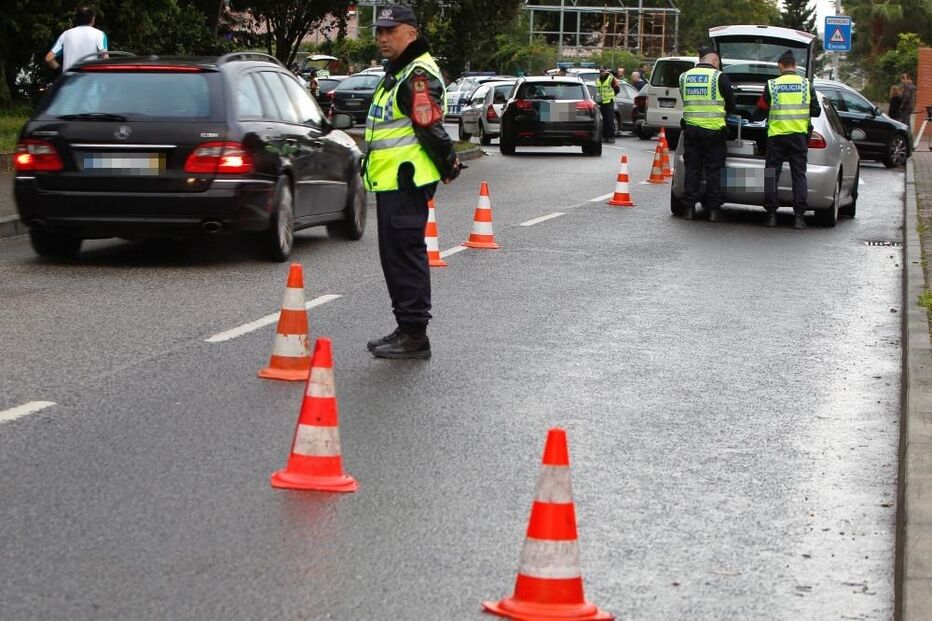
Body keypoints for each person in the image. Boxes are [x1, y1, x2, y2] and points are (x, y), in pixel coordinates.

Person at [363, 5, 462, 359]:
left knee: (405, 255)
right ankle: (406, 327)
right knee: (395, 256)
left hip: (407, 180)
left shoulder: (417, 76)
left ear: (412, 34)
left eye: (391, 30)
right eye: (379, 31)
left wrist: (449, 162)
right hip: (393, 181)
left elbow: (428, 126)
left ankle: (415, 335)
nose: (383, 37)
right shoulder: (400, 72)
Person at [755, 49, 821, 229]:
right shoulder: (806, 84)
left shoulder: (772, 85)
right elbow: (816, 111)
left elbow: (760, 110)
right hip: (798, 136)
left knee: (771, 174)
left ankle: (771, 216)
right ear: (795, 66)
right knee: (798, 175)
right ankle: (799, 217)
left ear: (780, 66)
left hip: (776, 136)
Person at [677, 46, 736, 222]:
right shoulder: (720, 77)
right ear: (715, 61)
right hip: (714, 131)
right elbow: (731, 105)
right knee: (714, 171)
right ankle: (713, 211)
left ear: (700, 58)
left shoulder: (684, 77)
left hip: (691, 130)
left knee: (692, 170)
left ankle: (689, 209)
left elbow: (686, 100)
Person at [45, 5, 107, 73]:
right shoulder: (99, 34)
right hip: (91, 80)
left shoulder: (65, 35)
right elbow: (105, 59)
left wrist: (62, 72)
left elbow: (49, 58)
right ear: (93, 19)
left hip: (69, 81)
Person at [595, 66, 620, 143]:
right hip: (601, 102)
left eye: (602, 71)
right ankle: (605, 136)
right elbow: (598, 91)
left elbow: (617, 89)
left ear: (606, 71)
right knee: (603, 120)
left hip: (609, 101)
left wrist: (612, 95)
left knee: (610, 120)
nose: (601, 72)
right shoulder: (598, 80)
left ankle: (611, 137)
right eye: (600, 71)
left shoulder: (610, 79)